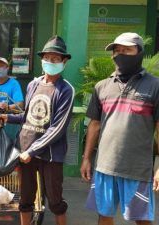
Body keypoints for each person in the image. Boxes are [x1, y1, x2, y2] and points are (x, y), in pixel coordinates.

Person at [81, 32, 159, 225]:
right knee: (104, 215)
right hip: (104, 166)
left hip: (137, 168)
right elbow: (94, 124)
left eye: (127, 50)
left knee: (141, 219)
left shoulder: (155, 86)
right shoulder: (102, 86)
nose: (120, 54)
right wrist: (86, 159)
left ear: (139, 52)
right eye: (117, 51)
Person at [0, 35, 74, 225]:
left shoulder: (65, 90)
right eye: (47, 58)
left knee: (55, 201)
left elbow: (57, 128)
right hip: (26, 151)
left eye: (56, 59)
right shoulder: (33, 84)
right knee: (25, 199)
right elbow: (28, 116)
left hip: (49, 155)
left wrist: (32, 151)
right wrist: (9, 117)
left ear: (64, 61)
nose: (50, 62)